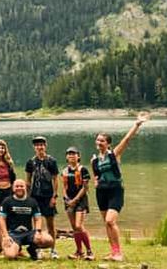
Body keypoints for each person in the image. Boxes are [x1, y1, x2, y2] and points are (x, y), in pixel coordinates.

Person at [92, 112, 149, 262]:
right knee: (106, 223)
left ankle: (118, 253)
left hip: (115, 191)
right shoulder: (95, 159)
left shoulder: (114, 154)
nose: (99, 143)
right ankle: (113, 252)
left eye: (102, 141)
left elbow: (127, 139)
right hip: (101, 192)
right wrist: (95, 182)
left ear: (108, 143)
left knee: (111, 221)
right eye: (98, 140)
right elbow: (96, 175)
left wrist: (137, 124)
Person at [0, 179, 54, 260]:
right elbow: (2, 219)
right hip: (13, 234)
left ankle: (32, 249)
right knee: (10, 256)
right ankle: (16, 248)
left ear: (26, 188)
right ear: (13, 188)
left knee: (48, 240)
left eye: (21, 186)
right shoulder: (7, 201)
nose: (19, 188)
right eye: (17, 186)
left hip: (28, 233)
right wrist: (6, 236)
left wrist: (38, 232)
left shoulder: (32, 201)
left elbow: (38, 219)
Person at [25, 135, 60, 259]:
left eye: (41, 145)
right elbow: (28, 180)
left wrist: (54, 196)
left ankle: (53, 249)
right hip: (35, 197)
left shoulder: (51, 161)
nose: (39, 147)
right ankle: (37, 249)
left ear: (45, 146)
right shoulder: (31, 162)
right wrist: (28, 197)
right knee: (37, 226)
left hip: (48, 196)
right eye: (37, 145)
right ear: (34, 147)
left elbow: (56, 179)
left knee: (50, 224)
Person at [62, 146, 93, 260]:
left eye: (74, 154)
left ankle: (90, 251)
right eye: (69, 154)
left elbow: (85, 188)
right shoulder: (65, 170)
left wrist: (74, 200)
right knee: (74, 228)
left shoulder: (83, 169)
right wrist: (66, 199)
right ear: (66, 157)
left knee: (79, 226)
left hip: (80, 201)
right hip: (68, 201)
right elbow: (64, 187)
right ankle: (79, 251)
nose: (71, 156)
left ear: (78, 156)